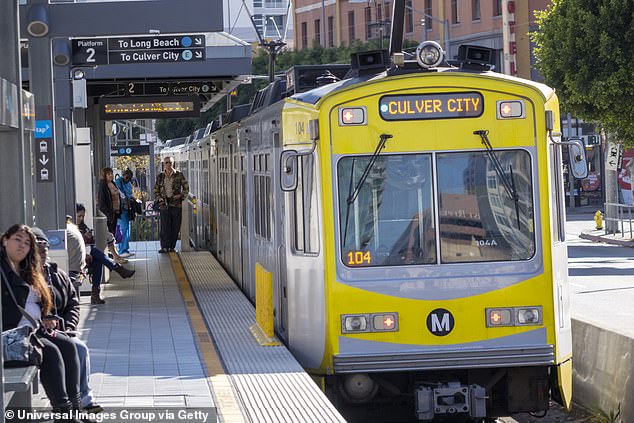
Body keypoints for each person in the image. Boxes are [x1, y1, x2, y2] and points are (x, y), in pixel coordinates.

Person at [0, 224, 83, 423]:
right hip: (12, 336)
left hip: (34, 330)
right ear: (5, 240)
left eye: (27, 243)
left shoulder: (26, 269)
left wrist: (46, 319)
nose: (22, 246)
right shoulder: (3, 271)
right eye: (17, 239)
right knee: (51, 352)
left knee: (69, 346)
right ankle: (64, 413)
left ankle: (75, 409)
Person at [32, 227, 103, 414]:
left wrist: (69, 328)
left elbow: (73, 304)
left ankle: (83, 400)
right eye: (37, 246)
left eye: (45, 246)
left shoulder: (58, 275)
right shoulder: (24, 277)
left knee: (78, 348)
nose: (42, 250)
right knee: (63, 351)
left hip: (60, 331)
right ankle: (66, 405)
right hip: (36, 334)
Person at [68, 207, 135, 305]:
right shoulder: (71, 230)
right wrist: (85, 238)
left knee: (97, 259)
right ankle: (117, 268)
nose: (81, 219)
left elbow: (90, 244)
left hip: (86, 257)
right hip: (77, 259)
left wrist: (90, 238)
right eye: (79, 216)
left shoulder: (83, 227)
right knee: (96, 254)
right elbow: (74, 247)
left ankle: (96, 294)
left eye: (83, 216)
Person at [154, 156, 189, 253]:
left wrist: (181, 196)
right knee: (165, 226)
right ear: (164, 164)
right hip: (164, 204)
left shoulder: (179, 175)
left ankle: (172, 247)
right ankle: (164, 246)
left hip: (176, 204)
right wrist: (159, 198)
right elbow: (156, 189)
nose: (168, 164)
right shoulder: (160, 176)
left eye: (170, 162)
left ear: (173, 163)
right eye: (166, 163)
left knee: (175, 226)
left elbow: (186, 188)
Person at [114, 169, 136, 258]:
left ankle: (125, 248)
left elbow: (130, 194)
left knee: (127, 228)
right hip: (121, 209)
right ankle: (122, 250)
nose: (127, 179)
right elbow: (119, 194)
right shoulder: (118, 182)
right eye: (126, 177)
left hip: (128, 209)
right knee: (123, 229)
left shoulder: (128, 184)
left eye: (129, 178)